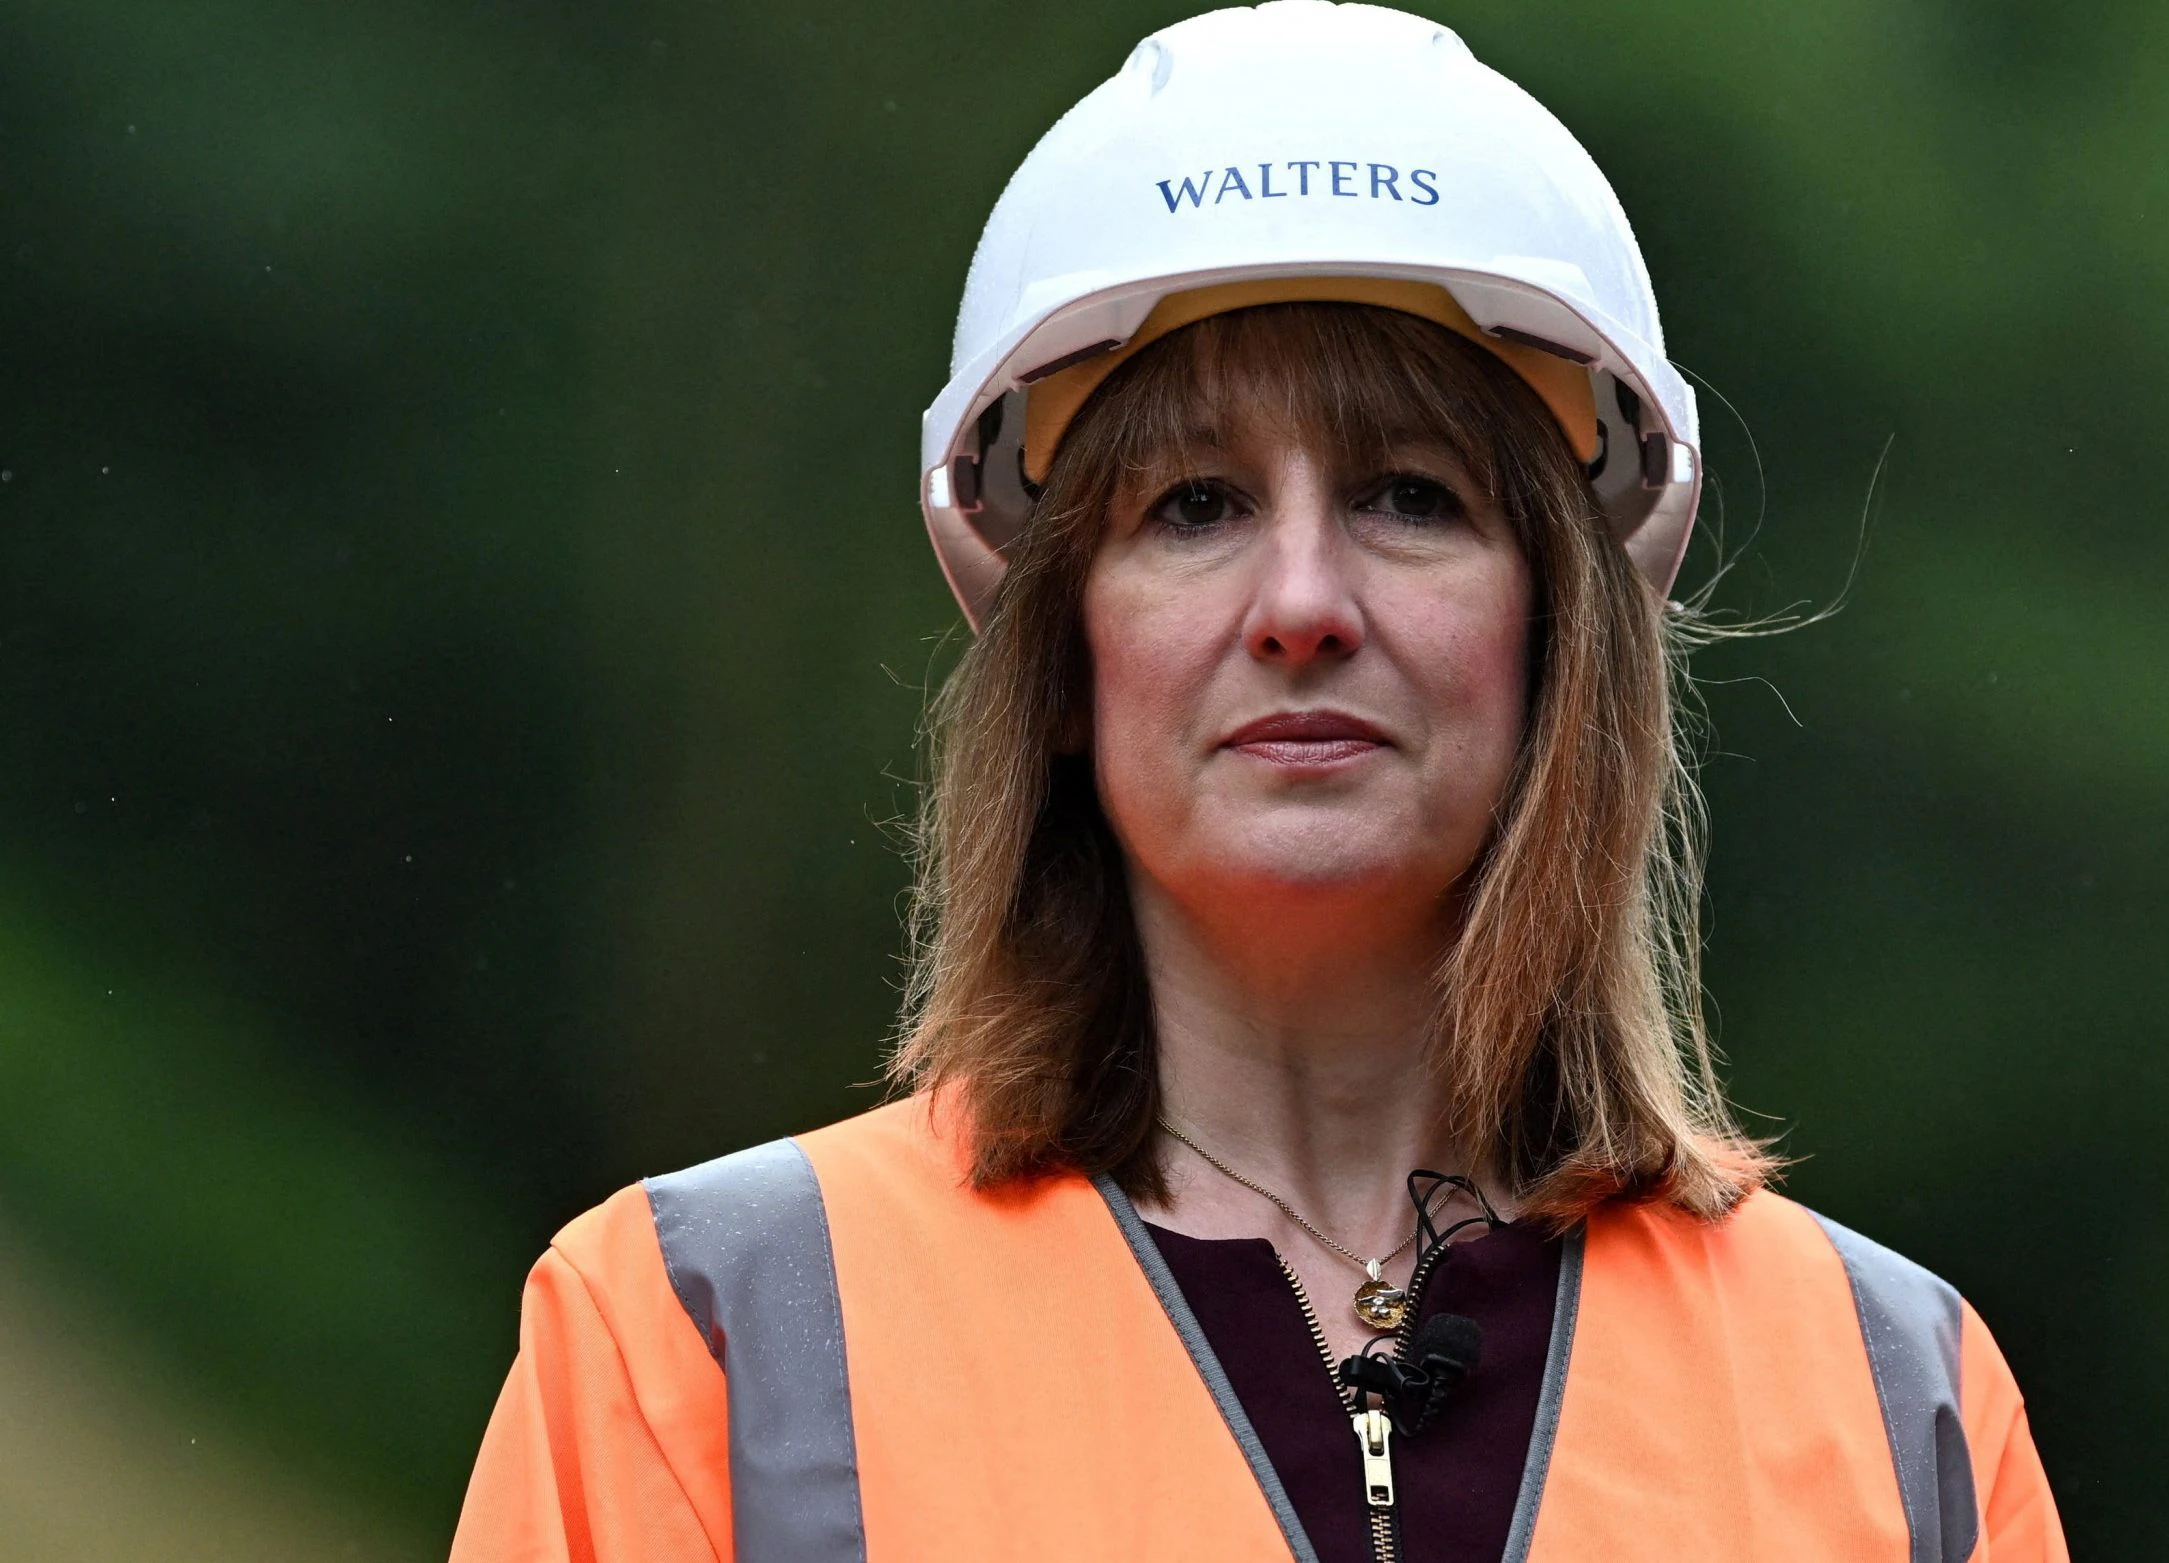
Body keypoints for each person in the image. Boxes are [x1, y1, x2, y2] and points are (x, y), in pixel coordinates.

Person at [449, 4, 2067, 1561]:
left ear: (1557, 638)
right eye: (1196, 505)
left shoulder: (1895, 1403)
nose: (1302, 603)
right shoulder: (702, 1343)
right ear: (1064, 655)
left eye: (1411, 497)